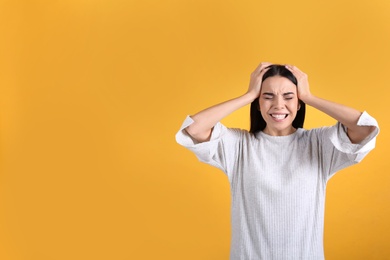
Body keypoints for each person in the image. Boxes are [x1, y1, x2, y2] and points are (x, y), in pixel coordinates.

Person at [175, 62, 379, 260]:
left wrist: (309, 96)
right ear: (258, 103)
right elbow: (194, 129)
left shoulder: (318, 144)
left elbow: (366, 129)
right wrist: (247, 96)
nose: (278, 105)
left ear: (299, 103)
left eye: (289, 97)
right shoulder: (239, 145)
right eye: (268, 96)